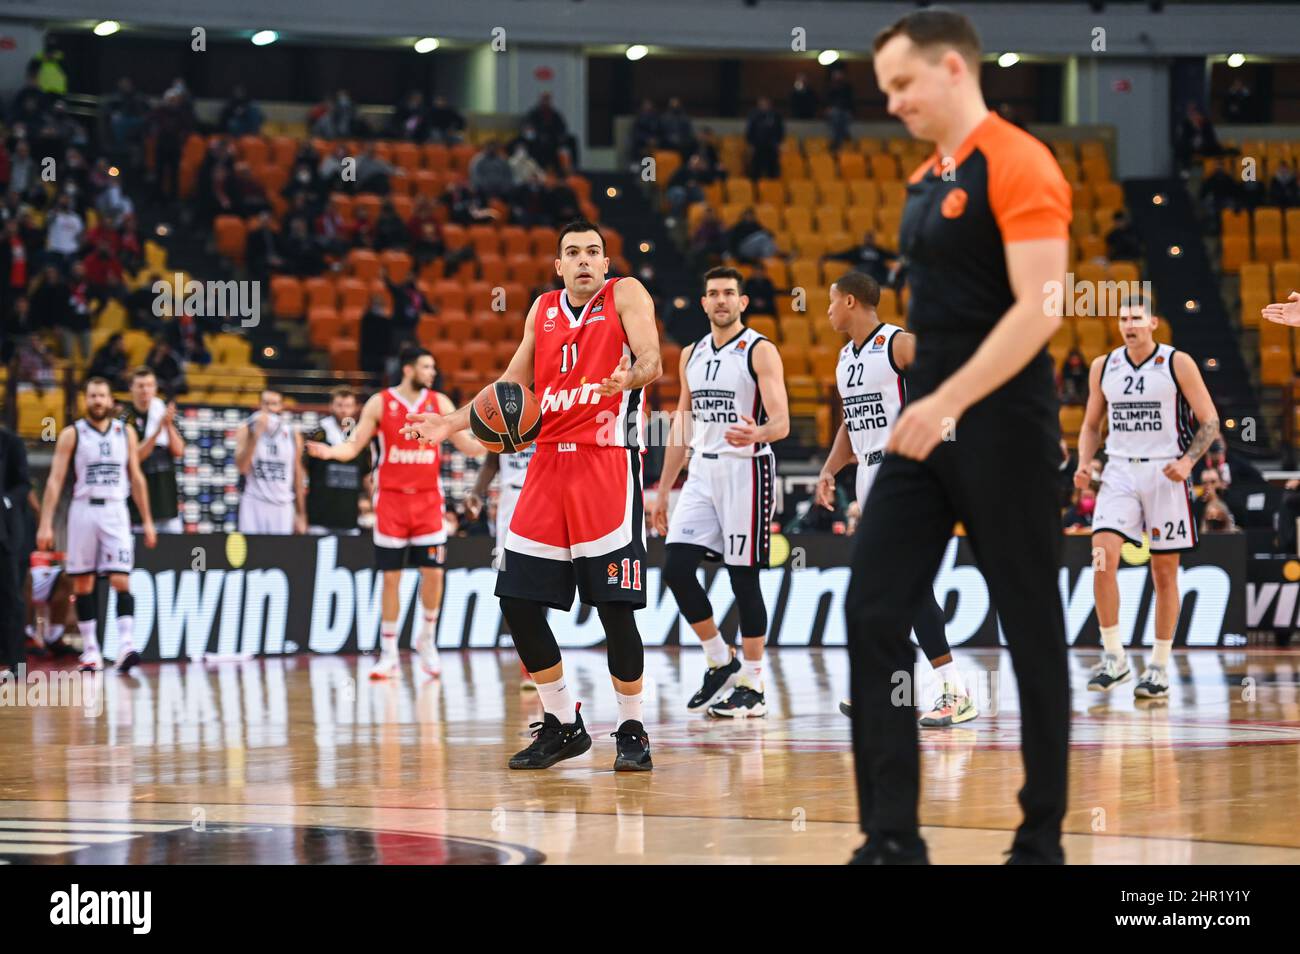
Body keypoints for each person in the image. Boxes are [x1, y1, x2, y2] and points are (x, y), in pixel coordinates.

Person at [847, 9, 1072, 865]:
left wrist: (953, 402)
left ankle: (1040, 834)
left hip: (1004, 414)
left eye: (902, 84)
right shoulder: (925, 176)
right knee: (871, 609)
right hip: (930, 409)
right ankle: (891, 836)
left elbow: (1041, 310)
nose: (894, 101)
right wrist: (931, 400)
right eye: (886, 90)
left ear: (951, 68)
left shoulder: (1020, 162)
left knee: (1030, 622)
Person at [402, 219, 661, 771]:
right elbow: (509, 386)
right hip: (545, 465)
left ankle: (632, 727)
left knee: (616, 608)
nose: (585, 260)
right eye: (574, 253)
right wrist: (448, 423)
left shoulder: (627, 293)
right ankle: (564, 722)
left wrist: (629, 380)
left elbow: (653, 360)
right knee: (518, 601)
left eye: (594, 251)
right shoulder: (541, 309)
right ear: (558, 265)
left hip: (606, 463)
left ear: (606, 262)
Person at [816, 270, 978, 726]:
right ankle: (893, 690)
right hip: (869, 473)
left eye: (831, 301)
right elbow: (852, 422)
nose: (826, 310)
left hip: (907, 469)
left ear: (849, 301)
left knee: (905, 584)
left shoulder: (899, 344)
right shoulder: (845, 358)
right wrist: (830, 469)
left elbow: (949, 392)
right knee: (883, 588)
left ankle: (954, 691)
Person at [651, 266, 789, 717]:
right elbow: (682, 425)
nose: (722, 300)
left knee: (742, 577)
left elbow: (782, 423)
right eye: (713, 294)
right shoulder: (690, 352)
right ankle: (719, 658)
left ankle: (753, 682)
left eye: (730, 293)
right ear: (704, 302)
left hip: (746, 468)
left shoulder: (760, 350)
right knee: (676, 568)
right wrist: (664, 491)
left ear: (743, 302)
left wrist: (759, 434)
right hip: (702, 472)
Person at [307, 347, 483, 679]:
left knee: (434, 574)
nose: (432, 372)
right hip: (391, 502)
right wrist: (331, 452)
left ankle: (426, 640)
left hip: (428, 500)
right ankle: (388, 652)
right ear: (408, 369)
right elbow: (354, 446)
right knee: (391, 578)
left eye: (433, 367)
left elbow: (469, 445)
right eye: (426, 366)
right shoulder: (380, 402)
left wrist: (500, 440)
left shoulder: (441, 403)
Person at [1075, 297, 1219, 698]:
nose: (1129, 325)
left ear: (1153, 322)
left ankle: (1158, 665)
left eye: (1136, 318)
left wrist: (1189, 463)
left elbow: (1208, 420)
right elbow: (1090, 425)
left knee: (1164, 572)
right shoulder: (1104, 366)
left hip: (1164, 470)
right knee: (1102, 557)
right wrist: (1085, 463)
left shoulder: (1177, 363)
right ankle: (1114, 658)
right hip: (1119, 469)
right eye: (1123, 319)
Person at [36, 377, 156, 673]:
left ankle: (126, 645)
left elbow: (136, 477)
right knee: (83, 582)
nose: (98, 401)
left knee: (121, 579)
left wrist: (148, 520)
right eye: (92, 396)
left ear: (110, 400)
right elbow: (55, 480)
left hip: (116, 509)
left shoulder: (124, 432)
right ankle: (91, 651)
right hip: (83, 510)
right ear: (85, 400)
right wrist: (45, 524)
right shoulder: (71, 434)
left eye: (102, 396)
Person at [465, 446, 538, 689]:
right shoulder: (503, 413)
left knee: (542, 581)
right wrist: (476, 492)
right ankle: (528, 661)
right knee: (510, 581)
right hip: (510, 502)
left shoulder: (551, 408)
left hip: (544, 497)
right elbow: (491, 461)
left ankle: (542, 659)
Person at [121, 367, 184, 533]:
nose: (145, 390)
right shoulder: (126, 419)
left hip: (167, 502)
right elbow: (134, 458)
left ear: (155, 388)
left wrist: (168, 425)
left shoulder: (163, 412)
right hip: (138, 508)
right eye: (140, 385)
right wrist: (157, 431)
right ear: (131, 388)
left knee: (173, 555)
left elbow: (178, 451)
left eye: (149, 385)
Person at [235, 389, 306, 535]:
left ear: (281, 406)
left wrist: (301, 514)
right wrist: (256, 435)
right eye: (266, 404)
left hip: (282, 504)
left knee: (279, 555)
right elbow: (242, 468)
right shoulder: (246, 429)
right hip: (253, 501)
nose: (269, 408)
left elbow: (297, 474)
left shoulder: (293, 433)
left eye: (274, 404)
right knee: (252, 554)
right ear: (260, 405)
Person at [302, 386, 371, 534]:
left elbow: (366, 473)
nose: (344, 410)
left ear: (355, 408)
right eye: (339, 405)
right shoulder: (318, 432)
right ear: (331, 406)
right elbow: (302, 470)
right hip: (320, 516)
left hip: (349, 517)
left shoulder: (360, 436)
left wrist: (370, 501)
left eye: (348, 406)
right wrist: (301, 513)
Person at [0, 424, 30, 671]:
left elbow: (23, 484)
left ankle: (16, 663)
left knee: (11, 596)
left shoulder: (11, 442)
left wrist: (5, 501)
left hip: (6, 532)